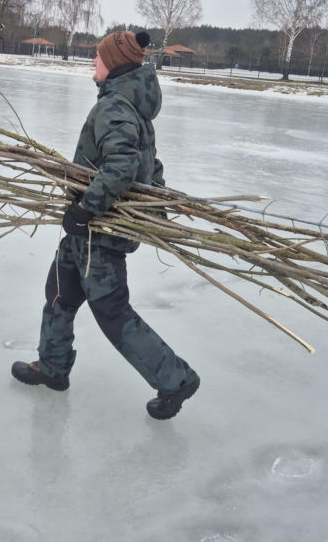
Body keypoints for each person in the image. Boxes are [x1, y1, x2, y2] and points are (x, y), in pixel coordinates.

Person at [11, 30, 200, 419]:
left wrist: (86, 208)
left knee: (112, 312)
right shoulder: (129, 105)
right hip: (86, 233)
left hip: (100, 232)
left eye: (98, 57)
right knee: (60, 294)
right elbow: (151, 164)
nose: (93, 62)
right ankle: (53, 366)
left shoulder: (115, 105)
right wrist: (155, 206)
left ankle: (175, 378)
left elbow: (123, 165)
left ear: (114, 64)